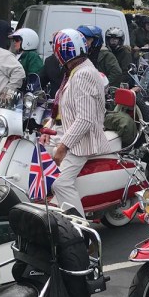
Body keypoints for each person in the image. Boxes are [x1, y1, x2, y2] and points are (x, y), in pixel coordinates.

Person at [45, 30, 109, 217]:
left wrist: (63, 147)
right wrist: (47, 129)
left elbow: (85, 119)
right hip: (67, 132)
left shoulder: (83, 74)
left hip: (82, 141)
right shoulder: (75, 70)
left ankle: (79, 230)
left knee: (60, 182)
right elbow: (65, 110)